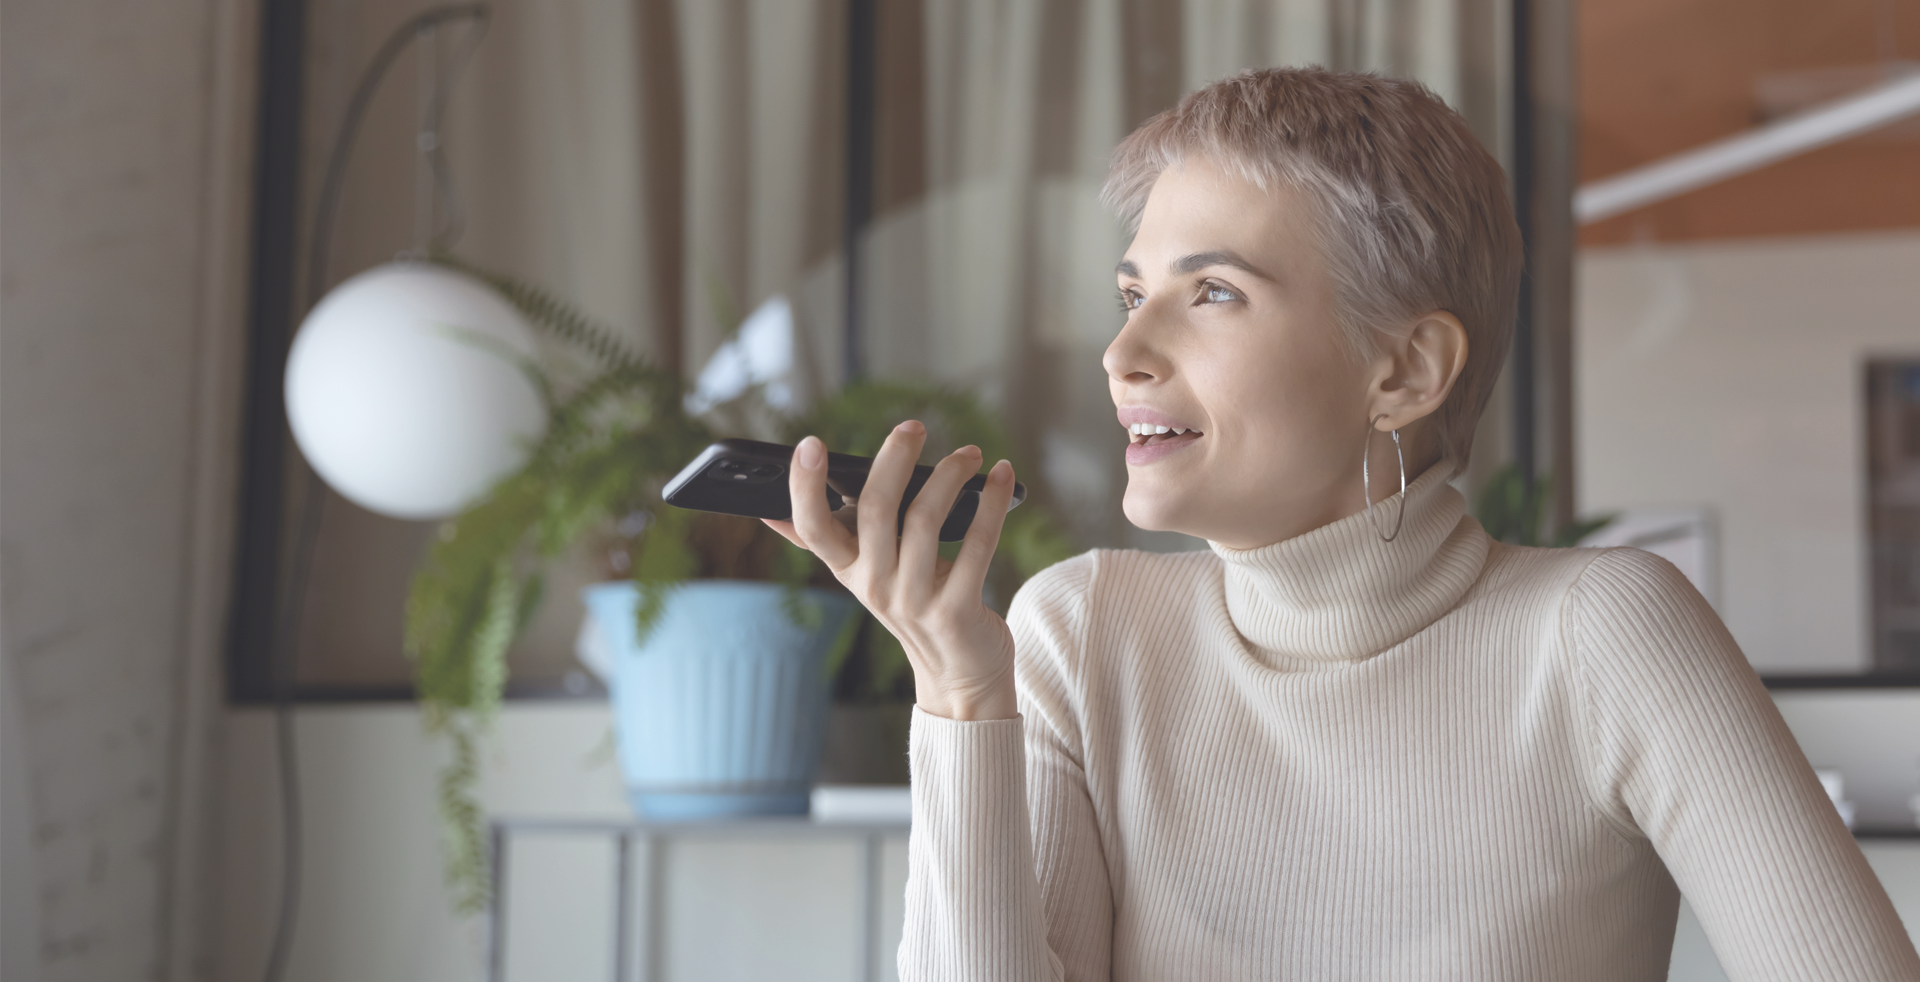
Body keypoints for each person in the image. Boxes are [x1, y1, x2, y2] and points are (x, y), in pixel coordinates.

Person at [765, 67, 1920, 981]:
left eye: (1210, 292)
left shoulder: (1603, 637)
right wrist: (962, 696)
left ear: (1405, 370)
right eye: (1133, 294)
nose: (1123, 355)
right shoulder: (1079, 630)